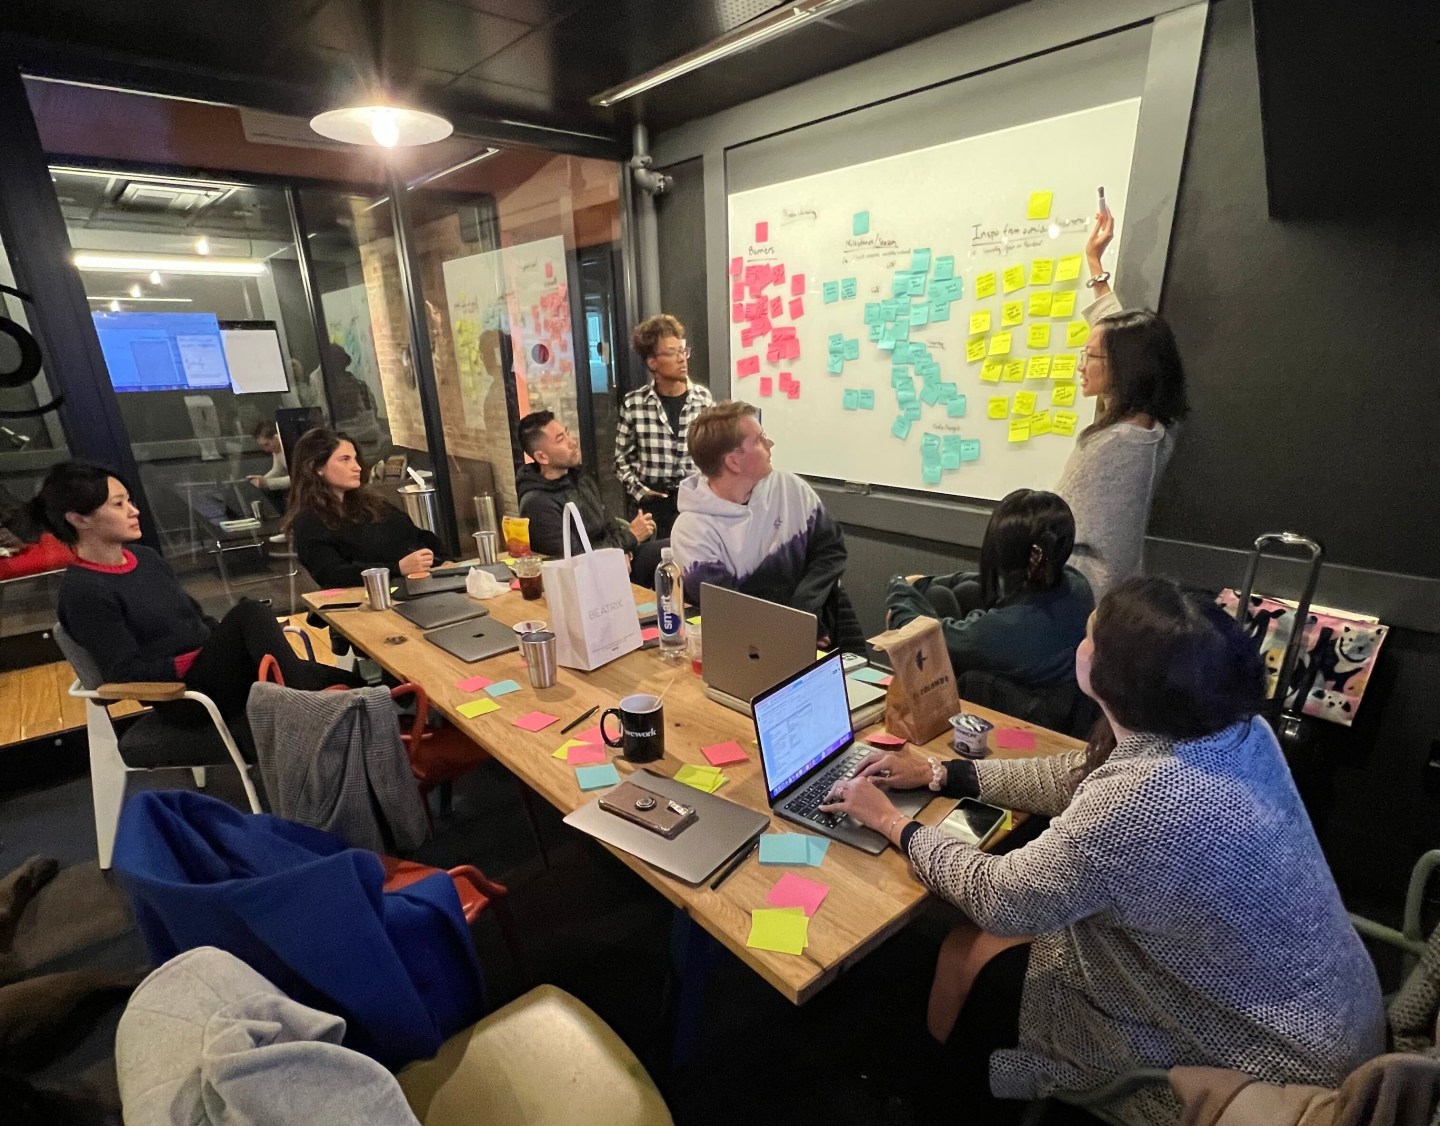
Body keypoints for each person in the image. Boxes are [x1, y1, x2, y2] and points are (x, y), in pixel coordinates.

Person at [819, 578, 1384, 1124]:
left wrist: (890, 821)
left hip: (1272, 1074)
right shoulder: (1236, 730)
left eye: (1090, 636)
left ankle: (937, 1095)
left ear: (1116, 681)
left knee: (966, 949)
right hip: (1344, 1024)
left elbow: (998, 898)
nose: (1080, 639)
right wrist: (942, 773)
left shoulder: (1143, 800)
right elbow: (1079, 774)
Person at [34, 462, 359, 722]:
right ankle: (306, 711)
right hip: (187, 697)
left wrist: (226, 645)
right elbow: (125, 674)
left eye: (129, 501)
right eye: (119, 504)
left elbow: (197, 619)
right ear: (79, 519)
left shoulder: (145, 559)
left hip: (218, 671)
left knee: (363, 688)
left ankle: (309, 701)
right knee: (250, 612)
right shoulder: (85, 592)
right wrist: (207, 653)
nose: (134, 510)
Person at [1054, 211, 1189, 600]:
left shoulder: (1118, 445)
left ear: (1125, 367)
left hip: (1084, 601)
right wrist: (1095, 265)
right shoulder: (1155, 427)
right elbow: (1119, 335)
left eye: (1090, 357)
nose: (1081, 365)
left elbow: (1068, 529)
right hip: (1113, 597)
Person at [670, 400, 862, 651]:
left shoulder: (789, 487)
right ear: (734, 462)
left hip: (821, 619)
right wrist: (796, 627)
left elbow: (831, 551)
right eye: (759, 440)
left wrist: (805, 615)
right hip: (757, 646)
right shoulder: (691, 531)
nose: (770, 444)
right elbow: (731, 610)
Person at [884, 489, 1092, 685]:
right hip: (1063, 698)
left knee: (924, 603)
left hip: (1018, 703)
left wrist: (898, 584)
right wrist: (925, 582)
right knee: (961, 589)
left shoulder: (1003, 629)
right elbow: (979, 581)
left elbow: (918, 631)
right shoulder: (1076, 583)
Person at [515, 410, 663, 586]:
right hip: (585, 581)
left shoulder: (580, 479)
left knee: (673, 550)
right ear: (542, 457)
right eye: (561, 439)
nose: (572, 442)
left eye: (567, 433)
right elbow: (576, 560)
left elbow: (610, 525)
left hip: (613, 560)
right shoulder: (537, 504)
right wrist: (630, 537)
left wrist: (625, 550)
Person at [285, 428, 444, 589]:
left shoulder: (372, 503)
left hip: (414, 585)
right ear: (316, 467)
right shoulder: (308, 520)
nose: (357, 467)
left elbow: (415, 535)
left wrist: (442, 560)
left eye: (355, 459)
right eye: (345, 459)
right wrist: (397, 568)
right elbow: (331, 574)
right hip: (362, 598)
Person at [613, 314, 715, 538]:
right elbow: (621, 459)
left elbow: (715, 452)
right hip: (653, 502)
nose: (682, 358)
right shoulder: (634, 403)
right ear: (653, 362)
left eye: (683, 351)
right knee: (653, 556)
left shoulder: (702, 400)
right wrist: (640, 491)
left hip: (694, 499)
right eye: (672, 353)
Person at [245, 419, 290, 492]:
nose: (266, 450)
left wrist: (267, 482)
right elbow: (278, 470)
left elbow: (296, 478)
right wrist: (261, 479)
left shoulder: (290, 446)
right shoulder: (276, 449)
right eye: (262, 446)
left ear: (276, 436)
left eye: (267, 444)